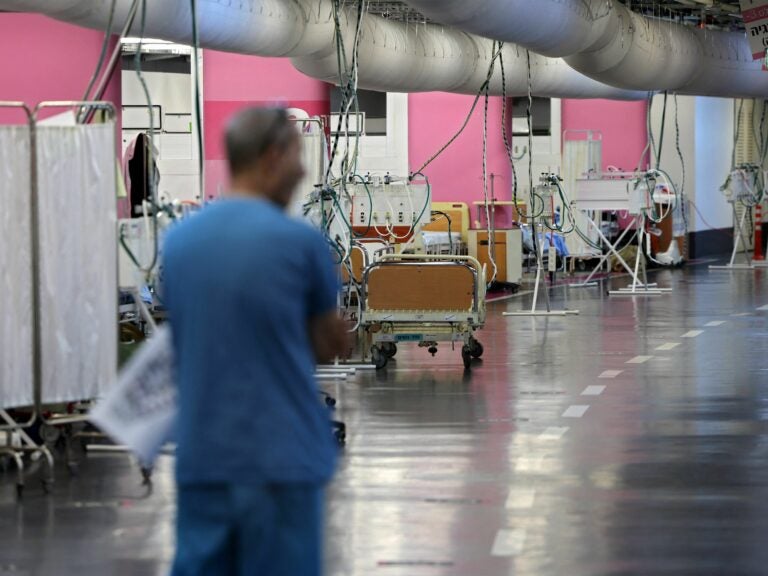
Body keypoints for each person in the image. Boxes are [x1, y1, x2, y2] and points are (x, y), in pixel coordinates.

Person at [162, 107, 349, 576]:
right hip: (278, 460)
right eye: (298, 157)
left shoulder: (179, 243)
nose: (304, 170)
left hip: (203, 455)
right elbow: (330, 344)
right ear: (273, 156)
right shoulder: (300, 244)